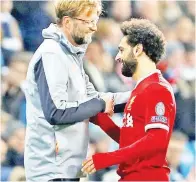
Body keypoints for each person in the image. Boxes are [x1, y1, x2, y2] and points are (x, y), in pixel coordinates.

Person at [23, 0, 130, 181]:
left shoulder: (70, 55)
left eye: (95, 22)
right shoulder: (52, 54)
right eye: (88, 22)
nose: (94, 28)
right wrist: (99, 104)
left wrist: (141, 96)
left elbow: (94, 98)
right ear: (67, 22)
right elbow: (57, 112)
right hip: (51, 171)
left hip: (67, 169)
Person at [82, 18, 176, 181]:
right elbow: (131, 142)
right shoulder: (140, 90)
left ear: (138, 49)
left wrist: (107, 158)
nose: (117, 57)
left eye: (122, 50)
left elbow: (156, 141)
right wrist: (100, 119)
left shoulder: (157, 89)